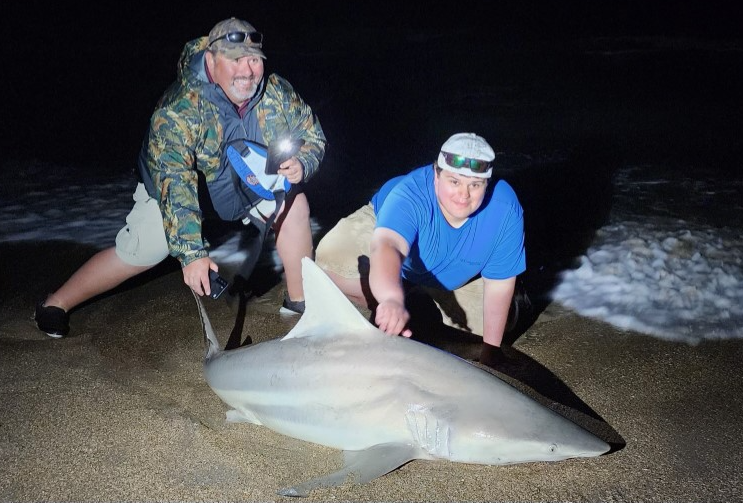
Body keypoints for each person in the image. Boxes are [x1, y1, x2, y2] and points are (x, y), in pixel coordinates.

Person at [34, 17, 327, 338]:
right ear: (213, 61)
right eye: (235, 59)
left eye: (254, 59)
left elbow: (312, 135)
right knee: (144, 251)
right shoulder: (179, 110)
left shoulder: (276, 91)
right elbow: (176, 184)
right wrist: (191, 253)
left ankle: (298, 303)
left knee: (293, 204)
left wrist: (303, 161)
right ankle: (56, 302)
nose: (247, 70)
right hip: (177, 184)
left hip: (243, 176)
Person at [315, 133, 526, 369]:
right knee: (330, 262)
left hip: (447, 275)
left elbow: (500, 284)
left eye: (474, 185)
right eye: (454, 181)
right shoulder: (410, 194)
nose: (463, 195)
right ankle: (397, 295)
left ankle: (414, 298)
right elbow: (388, 246)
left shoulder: (505, 209)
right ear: (436, 175)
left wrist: (491, 351)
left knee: (486, 328)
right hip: (385, 235)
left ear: (486, 184)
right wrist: (391, 299)